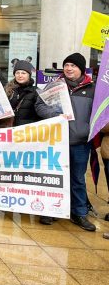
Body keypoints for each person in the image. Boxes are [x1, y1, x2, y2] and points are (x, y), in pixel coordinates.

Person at [36, 53, 96, 231]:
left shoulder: (92, 89)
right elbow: (39, 106)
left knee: (77, 178)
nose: (69, 68)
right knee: (54, 177)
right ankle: (51, 210)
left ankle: (79, 213)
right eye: (66, 65)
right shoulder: (54, 86)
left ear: (81, 69)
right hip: (56, 141)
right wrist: (55, 115)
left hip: (80, 142)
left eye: (73, 66)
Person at [5, 60, 42, 126]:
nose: (20, 75)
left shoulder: (35, 92)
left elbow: (42, 110)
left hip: (27, 132)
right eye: (17, 73)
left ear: (29, 75)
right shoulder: (8, 90)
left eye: (23, 73)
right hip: (9, 130)